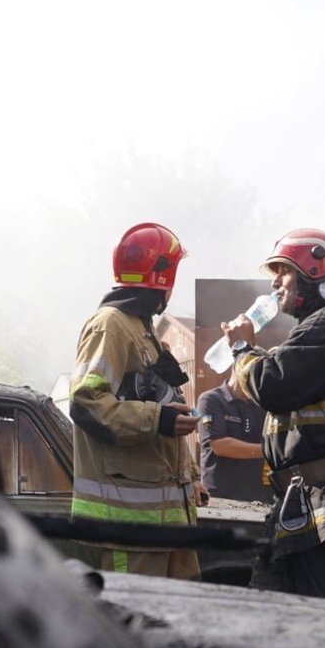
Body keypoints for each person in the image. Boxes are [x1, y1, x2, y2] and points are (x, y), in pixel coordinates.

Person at [222, 229, 325, 603]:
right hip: (308, 504)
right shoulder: (316, 329)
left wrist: (244, 348)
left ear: (314, 271)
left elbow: (271, 385)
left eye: (283, 271)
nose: (274, 283)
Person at [68, 222, 208, 579]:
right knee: (134, 625)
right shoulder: (109, 326)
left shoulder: (143, 330)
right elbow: (86, 402)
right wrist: (157, 419)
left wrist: (190, 475)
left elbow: (164, 402)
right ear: (163, 276)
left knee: (175, 625)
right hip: (127, 525)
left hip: (169, 523)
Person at [195, 376, 268, 503]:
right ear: (237, 367)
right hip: (219, 496)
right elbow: (219, 445)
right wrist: (272, 451)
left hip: (257, 496)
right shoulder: (210, 400)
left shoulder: (262, 404)